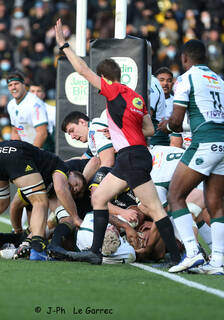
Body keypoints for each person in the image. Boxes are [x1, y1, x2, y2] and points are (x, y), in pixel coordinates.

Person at [55, 18, 181, 265]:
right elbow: (148, 129)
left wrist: (63, 46)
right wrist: (119, 133)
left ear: (105, 77)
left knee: (155, 208)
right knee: (99, 198)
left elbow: (81, 70)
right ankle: (94, 252)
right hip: (131, 156)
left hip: (132, 158)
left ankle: (177, 259)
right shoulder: (136, 98)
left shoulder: (113, 90)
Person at [0, 140, 83, 260]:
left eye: (77, 192)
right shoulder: (63, 167)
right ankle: (37, 250)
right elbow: (61, 188)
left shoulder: (44, 181)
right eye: (76, 184)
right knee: (41, 202)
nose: (74, 189)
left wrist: (18, 233)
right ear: (71, 173)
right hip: (16, 153)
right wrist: (76, 218)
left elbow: (57, 204)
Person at [159, 39, 224, 275]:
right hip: (223, 143)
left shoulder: (186, 78)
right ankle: (217, 261)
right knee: (217, 206)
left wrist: (166, 127)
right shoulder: (219, 80)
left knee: (175, 195)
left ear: (185, 58)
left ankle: (193, 253)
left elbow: (176, 120)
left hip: (204, 141)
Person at [6, 72, 49, 148]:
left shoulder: (35, 103)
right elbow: (15, 131)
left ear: (23, 85)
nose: (13, 87)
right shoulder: (11, 105)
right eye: (10, 85)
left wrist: (32, 155)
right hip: (26, 150)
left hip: (42, 150)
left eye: (16, 84)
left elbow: (42, 133)